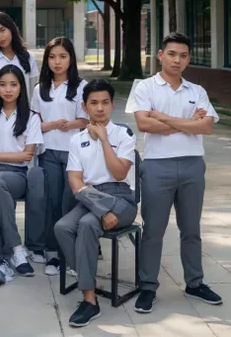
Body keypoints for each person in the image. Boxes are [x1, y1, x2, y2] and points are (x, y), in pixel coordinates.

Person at [132, 32, 222, 313]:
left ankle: (195, 283)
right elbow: (143, 125)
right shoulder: (145, 87)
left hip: (193, 165)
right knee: (153, 230)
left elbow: (206, 128)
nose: (177, 60)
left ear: (189, 59)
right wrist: (186, 123)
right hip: (158, 165)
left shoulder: (197, 91)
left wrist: (162, 117)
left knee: (191, 229)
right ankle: (147, 286)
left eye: (183, 55)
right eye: (171, 54)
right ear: (160, 55)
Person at [55, 79, 137, 328]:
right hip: (90, 197)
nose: (99, 108)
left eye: (104, 102)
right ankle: (88, 278)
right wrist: (101, 208)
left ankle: (89, 300)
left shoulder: (123, 134)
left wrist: (103, 140)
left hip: (121, 197)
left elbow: (120, 174)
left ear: (112, 105)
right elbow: (75, 182)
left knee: (89, 225)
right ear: (85, 106)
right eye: (93, 103)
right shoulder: (76, 140)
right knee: (62, 227)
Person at [0, 64, 44, 285]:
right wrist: (9, 154)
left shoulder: (32, 117)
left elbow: (27, 156)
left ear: (21, 88)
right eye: (3, 85)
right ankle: (13, 251)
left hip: (17, 175)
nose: (8, 89)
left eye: (13, 85)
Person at [31, 37, 88, 274]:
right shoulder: (39, 89)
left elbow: (86, 120)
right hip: (49, 152)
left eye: (63, 56)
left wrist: (69, 124)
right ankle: (52, 253)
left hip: (74, 152)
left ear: (71, 59)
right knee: (52, 201)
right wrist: (53, 124)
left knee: (72, 201)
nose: (57, 62)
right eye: (52, 57)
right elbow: (35, 124)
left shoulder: (81, 86)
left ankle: (72, 252)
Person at [0, 11, 38, 95]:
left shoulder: (28, 56)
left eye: (2, 30)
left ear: (11, 28)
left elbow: (33, 90)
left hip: (23, 107)